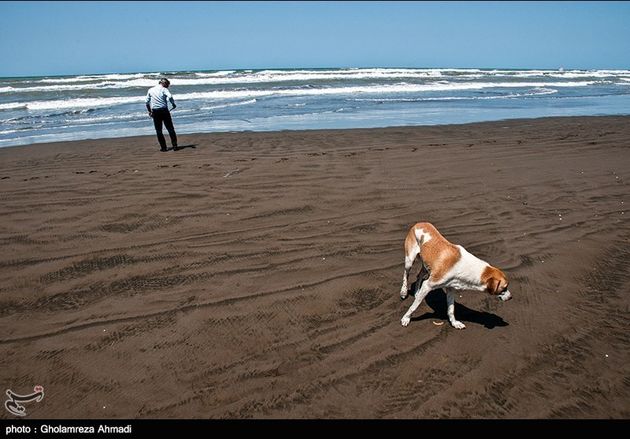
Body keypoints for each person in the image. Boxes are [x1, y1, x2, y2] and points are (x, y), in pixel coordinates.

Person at [145, 78, 178, 152]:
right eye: (167, 85)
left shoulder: (151, 90)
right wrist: (173, 103)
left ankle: (164, 148)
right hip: (164, 111)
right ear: (164, 83)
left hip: (155, 112)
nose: (167, 87)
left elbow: (147, 102)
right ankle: (175, 146)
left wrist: (149, 111)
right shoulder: (164, 89)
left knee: (159, 130)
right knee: (170, 129)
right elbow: (169, 96)